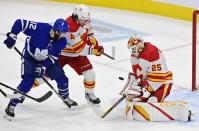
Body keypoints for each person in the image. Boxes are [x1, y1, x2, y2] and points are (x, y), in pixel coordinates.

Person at [3, 18, 78, 120]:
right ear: (56, 31)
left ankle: (65, 98)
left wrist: (43, 65)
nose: (65, 35)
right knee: (27, 83)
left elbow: (54, 56)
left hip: (46, 60)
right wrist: (13, 35)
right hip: (30, 57)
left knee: (63, 80)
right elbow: (20, 23)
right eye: (63, 33)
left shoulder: (62, 41)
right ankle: (11, 105)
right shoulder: (41, 28)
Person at [33, 4, 104, 105]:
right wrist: (93, 50)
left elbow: (89, 31)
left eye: (86, 20)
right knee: (44, 77)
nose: (84, 22)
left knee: (90, 73)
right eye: (82, 20)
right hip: (61, 54)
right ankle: (25, 89)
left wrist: (92, 40)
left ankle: (89, 94)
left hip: (76, 56)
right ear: (75, 16)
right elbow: (79, 48)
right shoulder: (69, 27)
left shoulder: (84, 20)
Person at [120, 34, 195, 121]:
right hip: (148, 84)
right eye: (131, 48)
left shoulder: (152, 52)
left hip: (162, 84)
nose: (132, 51)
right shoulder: (134, 56)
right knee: (137, 100)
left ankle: (181, 113)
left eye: (134, 48)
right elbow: (139, 74)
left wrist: (144, 89)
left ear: (140, 46)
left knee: (152, 102)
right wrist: (134, 83)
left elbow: (158, 80)